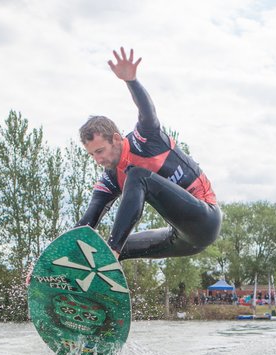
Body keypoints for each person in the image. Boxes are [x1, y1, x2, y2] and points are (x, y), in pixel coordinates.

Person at [75, 47, 221, 261]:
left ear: (116, 139)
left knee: (137, 175)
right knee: (100, 253)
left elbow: (147, 111)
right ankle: (83, 285)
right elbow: (88, 221)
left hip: (205, 219)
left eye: (100, 151)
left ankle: (112, 254)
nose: (98, 160)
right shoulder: (110, 177)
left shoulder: (145, 138)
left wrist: (131, 81)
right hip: (178, 238)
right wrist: (51, 260)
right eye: (92, 155)